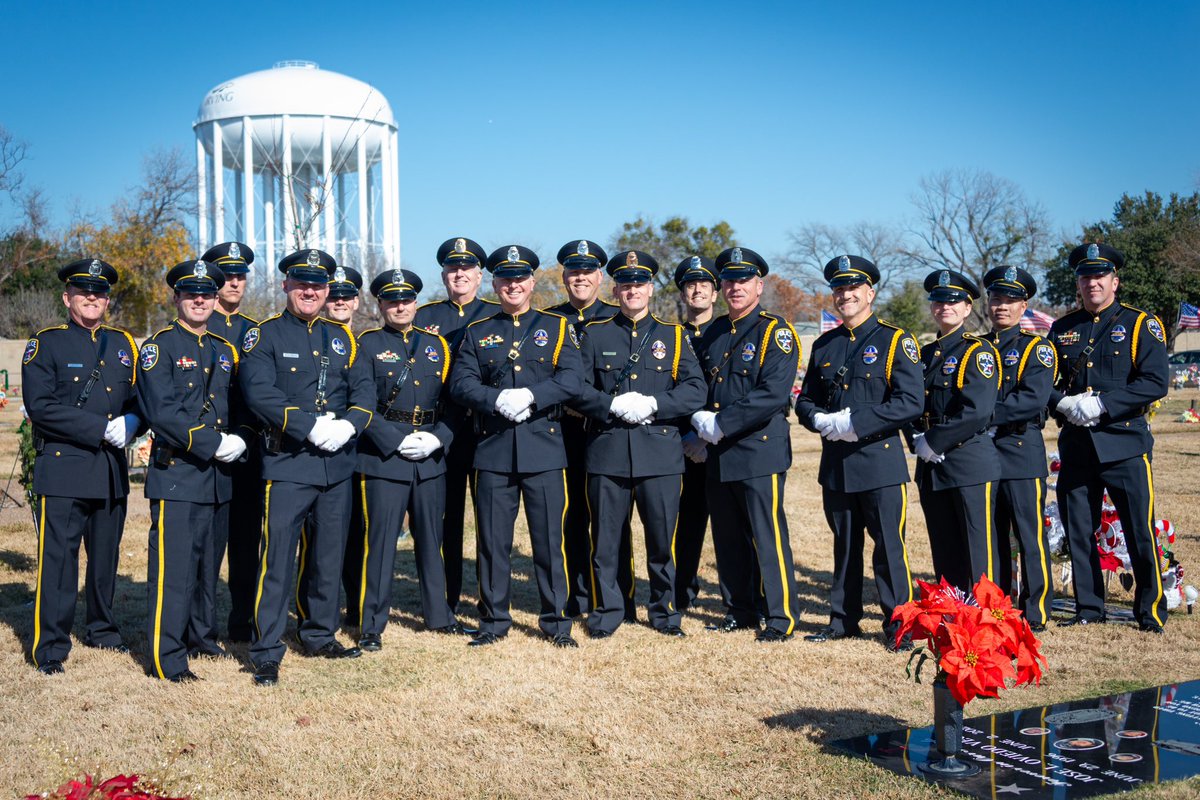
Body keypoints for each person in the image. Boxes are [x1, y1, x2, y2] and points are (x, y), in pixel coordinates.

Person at [238, 248, 376, 686]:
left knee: (327, 557)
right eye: (302, 284)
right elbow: (259, 394)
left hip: (336, 464)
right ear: (286, 286)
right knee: (277, 560)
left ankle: (318, 634)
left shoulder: (344, 339)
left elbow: (364, 393)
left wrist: (349, 426)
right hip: (288, 462)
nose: (310, 292)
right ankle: (266, 649)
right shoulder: (264, 335)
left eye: (318, 286)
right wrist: (307, 426)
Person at [449, 244, 582, 648]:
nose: (513, 285)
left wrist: (532, 396)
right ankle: (493, 621)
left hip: (544, 449)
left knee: (549, 542)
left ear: (532, 282)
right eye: (505, 278)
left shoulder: (556, 327)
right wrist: (496, 399)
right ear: (495, 284)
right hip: (493, 449)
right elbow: (461, 384)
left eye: (520, 278)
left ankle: (556, 622)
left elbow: (572, 379)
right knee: (492, 543)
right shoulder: (478, 331)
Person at [575, 250, 706, 638]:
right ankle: (608, 612)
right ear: (615, 290)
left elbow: (695, 389)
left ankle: (665, 612)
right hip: (607, 451)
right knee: (605, 543)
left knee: (662, 542)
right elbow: (577, 388)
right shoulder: (594, 334)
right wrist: (610, 404)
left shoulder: (674, 336)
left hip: (660, 455)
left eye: (640, 284)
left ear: (650, 289)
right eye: (625, 284)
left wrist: (655, 404)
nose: (632, 290)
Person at [794, 255, 923, 649]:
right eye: (839, 289)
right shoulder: (825, 344)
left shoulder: (895, 340)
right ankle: (842, 621)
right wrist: (818, 419)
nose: (845, 295)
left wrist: (856, 423)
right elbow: (805, 400)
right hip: (837, 464)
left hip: (879, 463)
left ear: (870, 293)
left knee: (889, 549)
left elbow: (910, 402)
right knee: (845, 547)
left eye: (853, 288)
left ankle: (900, 626)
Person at [22, 258, 141, 674]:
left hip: (110, 471)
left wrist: (133, 422)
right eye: (84, 291)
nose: (92, 297)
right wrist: (98, 428)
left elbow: (139, 399)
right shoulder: (47, 343)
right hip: (65, 469)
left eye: (100, 292)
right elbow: (40, 406)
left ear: (107, 300)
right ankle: (51, 645)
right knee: (59, 561)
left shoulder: (123, 344)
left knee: (105, 559)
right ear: (66, 297)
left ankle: (102, 629)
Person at [136, 259, 247, 681]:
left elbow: (239, 405)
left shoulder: (223, 349)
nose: (199, 300)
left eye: (206, 294)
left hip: (218, 479)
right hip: (178, 474)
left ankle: (201, 636)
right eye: (190, 294)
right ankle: (167, 656)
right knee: (174, 570)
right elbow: (161, 413)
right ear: (176, 298)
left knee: (206, 567)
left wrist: (241, 437)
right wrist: (214, 443)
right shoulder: (159, 347)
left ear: (216, 299)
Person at [1050, 243, 1169, 632]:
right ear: (1079, 284)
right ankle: (1088, 608)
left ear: (1114, 281)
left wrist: (1103, 404)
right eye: (1085, 277)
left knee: (1138, 530)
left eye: (1100, 276)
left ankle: (1149, 610)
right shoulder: (1062, 329)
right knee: (1078, 531)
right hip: (1077, 445)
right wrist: (1063, 403)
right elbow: (1043, 382)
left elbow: (1155, 382)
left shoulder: (1140, 324)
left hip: (1124, 444)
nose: (1092, 283)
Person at [354, 269, 473, 648]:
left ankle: (439, 616)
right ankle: (371, 625)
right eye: (392, 301)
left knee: (432, 540)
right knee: (380, 543)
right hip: (383, 456)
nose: (400, 307)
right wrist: (393, 440)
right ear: (380, 305)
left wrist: (438, 439)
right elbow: (361, 404)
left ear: (416, 303)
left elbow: (455, 402)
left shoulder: (437, 346)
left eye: (406, 300)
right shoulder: (366, 344)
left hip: (429, 455)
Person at [691, 247, 801, 642]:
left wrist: (720, 423)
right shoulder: (716, 331)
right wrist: (697, 424)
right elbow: (699, 384)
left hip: (758, 450)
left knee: (766, 536)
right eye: (729, 281)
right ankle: (740, 609)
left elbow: (772, 393)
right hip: (718, 451)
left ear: (759, 285)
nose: (735, 287)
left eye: (744, 280)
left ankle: (781, 616)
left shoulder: (776, 332)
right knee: (728, 536)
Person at [543, 240, 631, 620]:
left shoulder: (618, 317)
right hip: (560, 433)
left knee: (612, 520)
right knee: (569, 517)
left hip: (606, 432)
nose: (580, 278)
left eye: (588, 272)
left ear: (600, 278)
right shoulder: (548, 320)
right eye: (573, 272)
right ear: (564, 276)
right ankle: (575, 597)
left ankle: (620, 597)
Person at [414, 237, 497, 614]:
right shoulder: (424, 317)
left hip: (485, 433)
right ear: (444, 274)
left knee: (489, 521)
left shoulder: (496, 314)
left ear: (480, 275)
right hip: (440, 434)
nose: (459, 274)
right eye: (452, 268)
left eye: (466, 268)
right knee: (443, 518)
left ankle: (488, 598)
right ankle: (445, 597)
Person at [912, 269, 1001, 592]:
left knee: (978, 553)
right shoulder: (925, 355)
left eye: (953, 301)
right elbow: (912, 404)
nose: (945, 307)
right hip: (932, 466)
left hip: (968, 463)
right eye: (939, 301)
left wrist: (934, 441)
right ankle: (952, 610)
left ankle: (985, 615)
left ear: (967, 308)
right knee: (944, 548)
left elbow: (977, 411)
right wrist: (917, 438)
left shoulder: (978, 352)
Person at [982, 265, 1055, 631]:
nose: (1002, 306)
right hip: (983, 454)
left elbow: (1032, 399)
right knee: (993, 537)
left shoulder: (1036, 348)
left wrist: (981, 416)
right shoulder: (977, 347)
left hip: (1020, 449)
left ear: (1023, 306)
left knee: (1030, 536)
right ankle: (998, 605)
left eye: (1010, 300)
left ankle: (1036, 608)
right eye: (996, 299)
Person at [201, 241, 262, 643]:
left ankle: (243, 621)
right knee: (207, 546)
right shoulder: (197, 324)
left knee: (246, 542)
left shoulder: (256, 331)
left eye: (241, 275)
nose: (235, 282)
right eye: (227, 275)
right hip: (205, 452)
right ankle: (200, 626)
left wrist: (245, 436)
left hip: (249, 451)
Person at [673, 255, 719, 613]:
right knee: (684, 525)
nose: (698, 289)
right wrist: (688, 437)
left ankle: (746, 595)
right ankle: (681, 592)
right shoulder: (671, 336)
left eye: (705, 284)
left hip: (722, 442)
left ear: (716, 293)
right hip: (681, 446)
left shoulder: (728, 333)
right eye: (691, 284)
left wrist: (705, 436)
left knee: (732, 525)